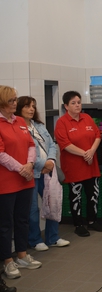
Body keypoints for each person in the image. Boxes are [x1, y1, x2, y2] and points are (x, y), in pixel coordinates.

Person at [15, 96, 70, 251]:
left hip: (48, 171)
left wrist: (51, 161)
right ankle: (35, 240)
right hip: (31, 173)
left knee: (53, 204)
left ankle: (53, 237)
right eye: (27, 106)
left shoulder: (38, 126)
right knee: (32, 209)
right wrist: (41, 164)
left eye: (33, 106)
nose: (31, 109)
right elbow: (24, 152)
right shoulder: (18, 128)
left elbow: (52, 144)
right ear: (19, 108)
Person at [0, 85, 41, 279]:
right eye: (12, 100)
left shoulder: (20, 122)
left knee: (22, 219)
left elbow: (31, 145)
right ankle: (7, 261)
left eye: (15, 99)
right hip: (6, 182)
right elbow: (1, 154)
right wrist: (21, 168)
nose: (15, 103)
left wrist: (30, 164)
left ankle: (22, 255)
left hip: (25, 180)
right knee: (5, 223)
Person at [55, 91, 102, 237]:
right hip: (74, 167)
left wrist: (91, 151)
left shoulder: (87, 118)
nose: (77, 105)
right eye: (73, 103)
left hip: (91, 165)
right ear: (66, 106)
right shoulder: (62, 123)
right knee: (76, 196)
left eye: (79, 102)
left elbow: (97, 135)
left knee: (93, 195)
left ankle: (92, 221)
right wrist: (85, 154)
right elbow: (65, 144)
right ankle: (78, 224)